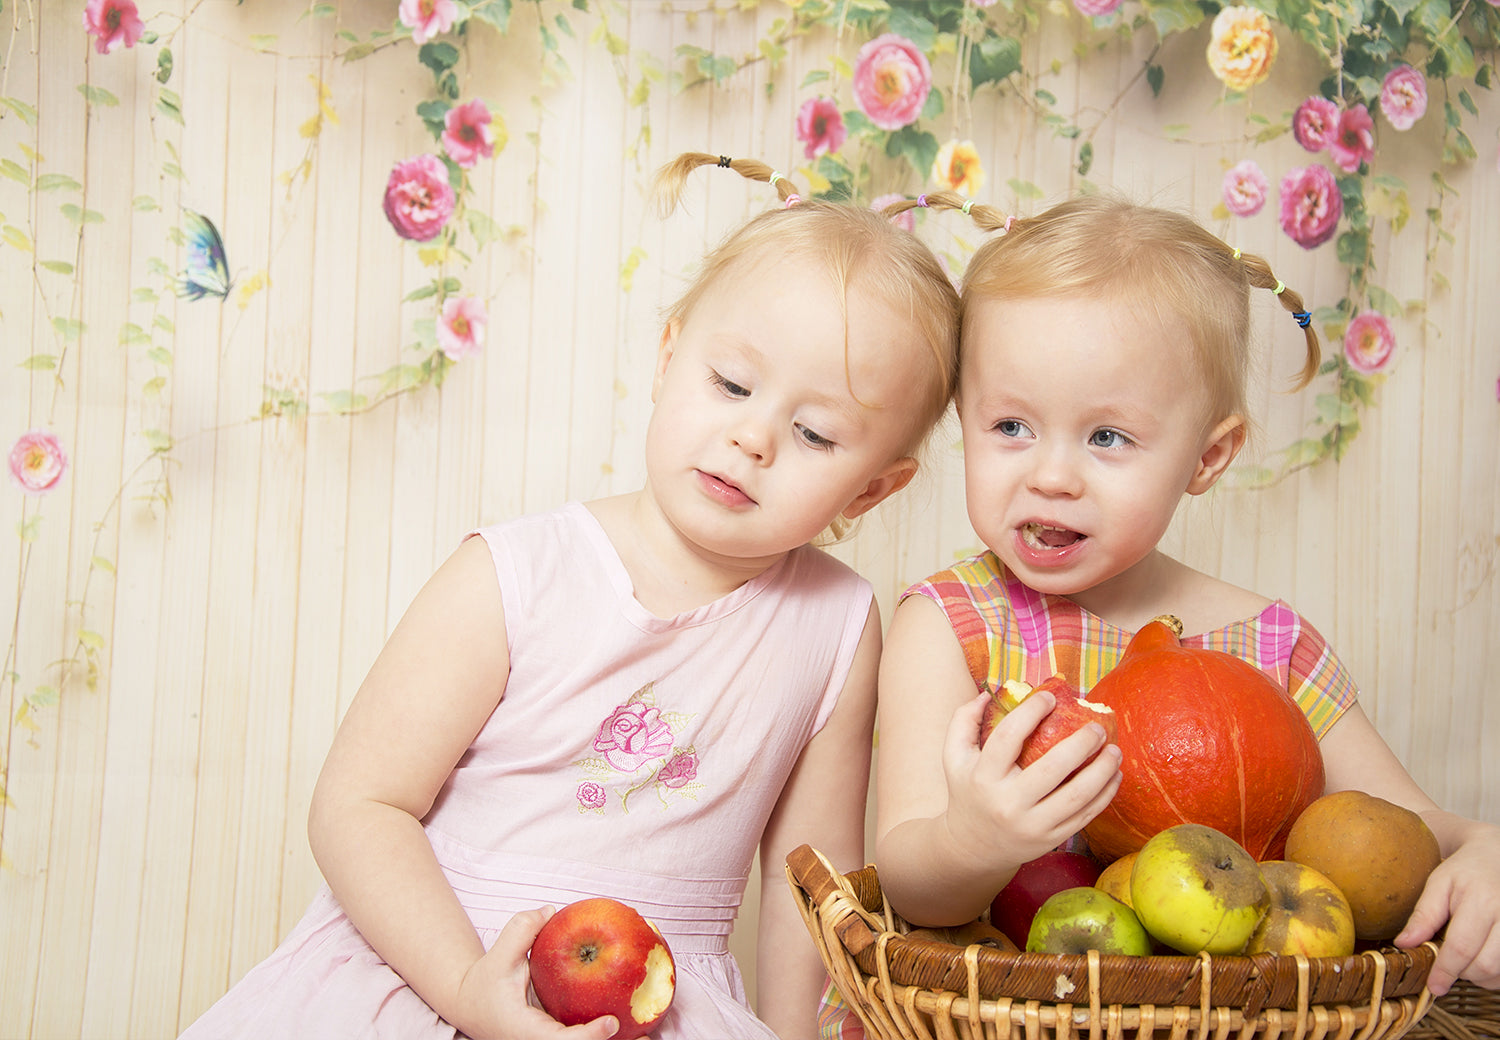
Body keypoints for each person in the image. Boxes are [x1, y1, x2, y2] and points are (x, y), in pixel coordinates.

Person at [178, 154, 961, 1040]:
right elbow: (359, 806)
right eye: (732, 385)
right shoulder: (516, 573)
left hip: (658, 1004)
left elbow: (805, 890)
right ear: (668, 359)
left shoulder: (837, 625)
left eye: (814, 434)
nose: (753, 437)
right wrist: (469, 989)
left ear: (873, 490)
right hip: (432, 965)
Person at [872, 191, 1500, 998]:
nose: (1051, 476)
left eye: (1107, 437)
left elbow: (1399, 834)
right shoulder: (951, 624)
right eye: (1011, 427)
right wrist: (975, 840)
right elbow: (909, 886)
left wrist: (1478, 844)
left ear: (1208, 458)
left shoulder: (1273, 647)